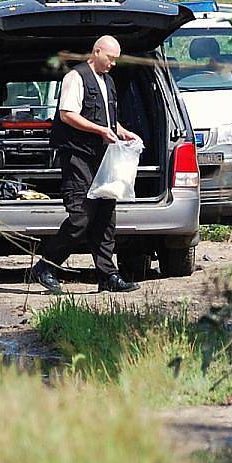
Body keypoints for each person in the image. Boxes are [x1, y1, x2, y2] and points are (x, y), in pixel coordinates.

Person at [30, 35, 141, 294]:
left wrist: (122, 132)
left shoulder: (109, 81)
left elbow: (109, 119)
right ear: (97, 51)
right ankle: (45, 267)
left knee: (105, 219)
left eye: (115, 60)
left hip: (104, 161)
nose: (112, 64)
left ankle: (108, 276)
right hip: (78, 158)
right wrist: (100, 131)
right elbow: (67, 115)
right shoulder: (76, 78)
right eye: (110, 58)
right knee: (80, 219)